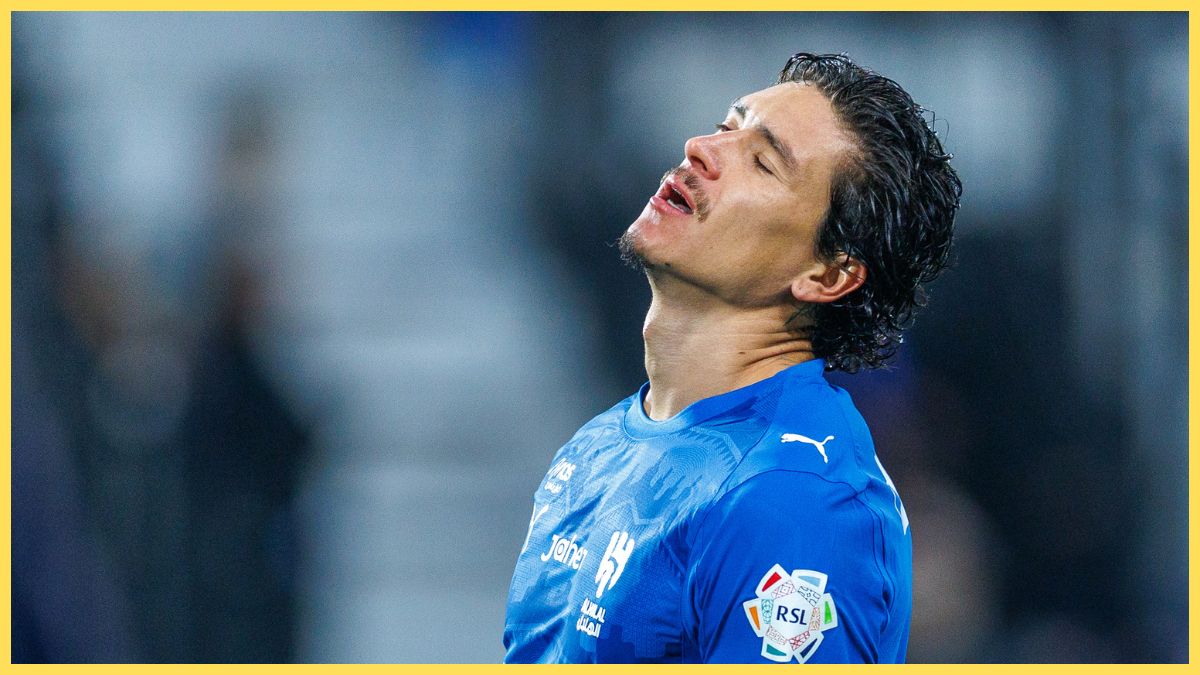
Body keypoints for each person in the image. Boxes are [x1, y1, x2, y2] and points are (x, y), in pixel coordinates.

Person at [503, 52, 960, 664]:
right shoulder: (599, 446)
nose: (699, 149)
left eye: (763, 161)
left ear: (827, 274)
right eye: (726, 127)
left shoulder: (793, 501)